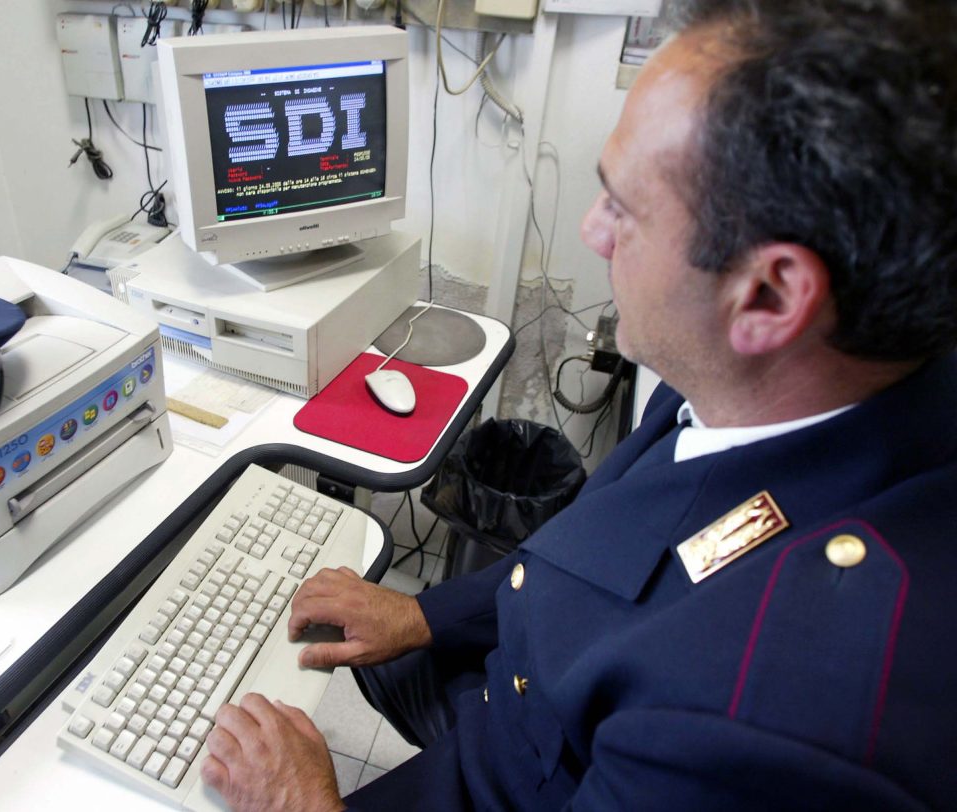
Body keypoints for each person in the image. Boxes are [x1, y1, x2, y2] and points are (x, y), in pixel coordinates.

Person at [199, 0, 957, 807]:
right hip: (511, 702)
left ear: (769, 296)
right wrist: (422, 619)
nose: (593, 232)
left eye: (625, 209)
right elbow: (588, 559)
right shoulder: (755, 384)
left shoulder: (771, 720)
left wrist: (303, 802)